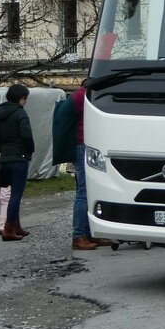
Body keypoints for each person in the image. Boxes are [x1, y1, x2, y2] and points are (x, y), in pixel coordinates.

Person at [69, 81, 110, 251]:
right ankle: (78, 235)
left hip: (90, 145)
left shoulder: (88, 94)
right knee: (84, 192)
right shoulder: (82, 95)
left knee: (91, 190)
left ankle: (89, 233)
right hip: (82, 145)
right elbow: (68, 113)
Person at [0, 84, 33, 242]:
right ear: (21, 98)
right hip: (19, 157)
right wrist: (29, 151)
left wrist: (3, 150)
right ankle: (9, 228)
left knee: (9, 192)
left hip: (4, 158)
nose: (26, 101)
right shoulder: (20, 113)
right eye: (25, 98)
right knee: (16, 194)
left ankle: (16, 225)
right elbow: (27, 135)